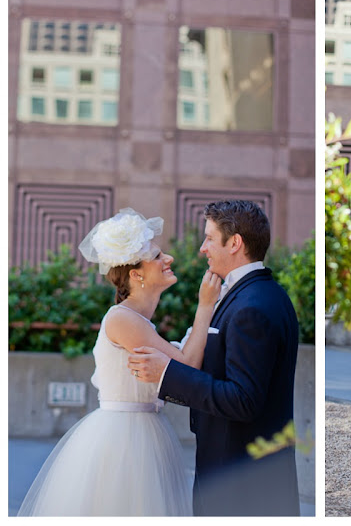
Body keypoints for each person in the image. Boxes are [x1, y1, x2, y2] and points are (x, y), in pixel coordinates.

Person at [18, 207, 221, 516]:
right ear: (135, 274)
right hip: (125, 441)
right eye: (156, 256)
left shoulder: (138, 321)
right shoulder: (122, 319)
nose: (169, 259)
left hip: (146, 431)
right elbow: (187, 365)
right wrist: (206, 305)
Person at [128, 200, 300, 516]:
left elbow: (243, 400)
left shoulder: (252, 307)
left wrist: (168, 373)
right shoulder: (254, 294)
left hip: (241, 483)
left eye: (209, 238)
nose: (202, 248)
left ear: (235, 243)